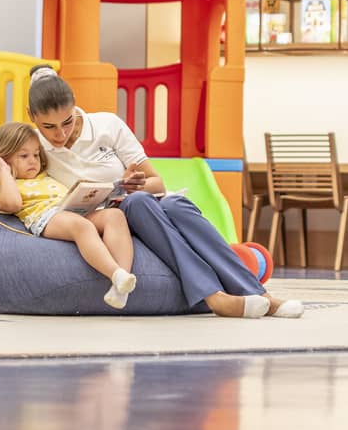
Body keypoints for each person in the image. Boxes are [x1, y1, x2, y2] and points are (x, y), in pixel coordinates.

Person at [26, 65, 302, 319]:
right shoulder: (32, 144)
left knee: (174, 204)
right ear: (33, 118)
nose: (60, 134)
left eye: (67, 122)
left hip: (140, 200)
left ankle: (260, 295)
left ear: (75, 108)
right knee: (138, 203)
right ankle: (214, 297)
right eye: (48, 127)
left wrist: (133, 182)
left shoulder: (107, 125)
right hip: (109, 216)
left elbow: (156, 182)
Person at [0, 122, 139, 309]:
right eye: (24, 156)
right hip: (46, 218)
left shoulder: (45, 175)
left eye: (35, 154)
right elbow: (13, 204)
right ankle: (115, 273)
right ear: (3, 158)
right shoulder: (0, 186)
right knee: (81, 226)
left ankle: (121, 286)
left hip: (71, 211)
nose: (33, 161)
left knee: (114, 216)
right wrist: (4, 171)